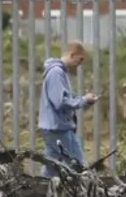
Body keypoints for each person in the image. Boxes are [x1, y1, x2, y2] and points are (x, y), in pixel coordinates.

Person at [37, 41, 98, 177]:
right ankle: (86, 195)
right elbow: (60, 102)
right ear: (72, 54)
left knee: (51, 167)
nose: (80, 63)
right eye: (80, 59)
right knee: (79, 166)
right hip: (58, 129)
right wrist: (84, 100)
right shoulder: (56, 73)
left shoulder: (61, 73)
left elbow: (66, 98)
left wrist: (84, 100)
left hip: (55, 127)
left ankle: (37, 194)